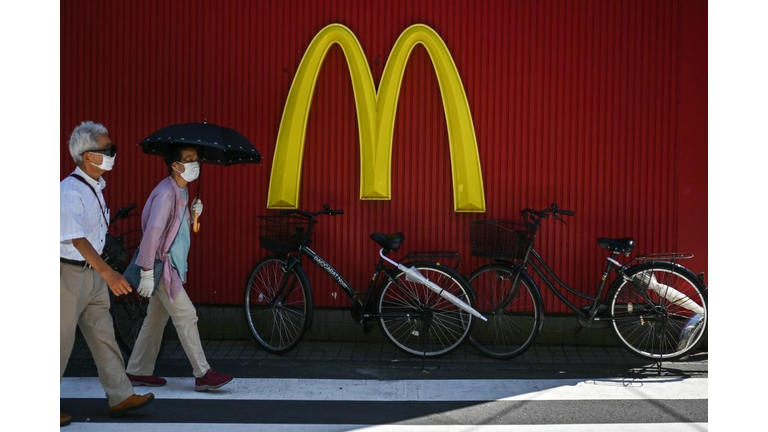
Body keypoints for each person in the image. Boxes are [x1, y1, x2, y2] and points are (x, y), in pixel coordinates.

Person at [60, 121, 155, 426]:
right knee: (57, 342)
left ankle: (120, 395)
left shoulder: (95, 188)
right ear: (87, 156)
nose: (113, 154)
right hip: (66, 275)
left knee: (104, 336)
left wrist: (103, 272)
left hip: (92, 274)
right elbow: (75, 237)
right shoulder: (69, 191)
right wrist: (110, 274)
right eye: (107, 150)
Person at [125, 143, 233, 391]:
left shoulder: (181, 191)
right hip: (163, 268)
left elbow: (184, 232)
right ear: (175, 165)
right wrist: (147, 272)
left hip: (170, 265)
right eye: (189, 158)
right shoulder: (166, 194)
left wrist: (195, 214)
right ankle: (203, 373)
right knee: (187, 315)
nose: (196, 163)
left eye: (197, 158)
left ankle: (137, 370)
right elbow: (153, 234)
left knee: (155, 320)